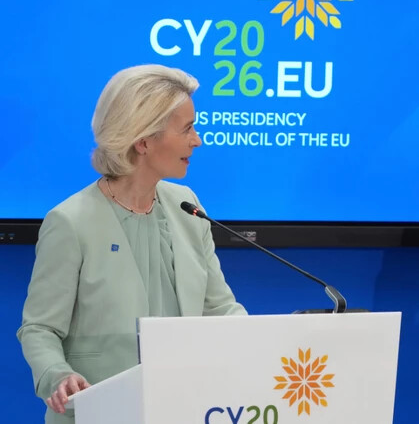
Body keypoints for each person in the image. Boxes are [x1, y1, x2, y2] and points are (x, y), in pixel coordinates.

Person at [17, 65, 247, 424]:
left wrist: (264, 343)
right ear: (143, 141)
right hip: (98, 413)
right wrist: (57, 375)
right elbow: (39, 329)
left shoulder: (187, 205)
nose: (197, 140)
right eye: (187, 128)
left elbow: (219, 309)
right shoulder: (70, 222)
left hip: (181, 408)